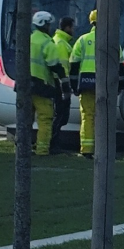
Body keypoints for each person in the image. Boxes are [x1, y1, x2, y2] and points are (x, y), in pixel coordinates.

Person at [70, 10, 124, 159]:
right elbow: (120, 66)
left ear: (91, 22)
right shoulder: (112, 40)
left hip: (86, 83)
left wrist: (74, 85)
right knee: (105, 116)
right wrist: (120, 86)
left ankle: (87, 149)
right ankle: (105, 148)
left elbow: (74, 65)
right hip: (106, 83)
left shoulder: (82, 39)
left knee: (88, 116)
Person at [30, 11, 67, 156]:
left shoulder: (28, 39)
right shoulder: (47, 42)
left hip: (24, 85)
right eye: (48, 24)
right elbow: (54, 65)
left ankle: (22, 147)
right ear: (44, 24)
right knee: (45, 119)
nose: (50, 27)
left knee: (25, 119)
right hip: (42, 86)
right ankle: (42, 149)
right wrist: (64, 80)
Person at [50, 16, 76, 153]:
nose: (73, 30)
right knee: (60, 115)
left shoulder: (61, 41)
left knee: (60, 115)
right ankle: (53, 144)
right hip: (59, 84)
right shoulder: (61, 43)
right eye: (72, 27)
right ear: (67, 27)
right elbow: (62, 67)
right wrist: (65, 86)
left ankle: (53, 143)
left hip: (58, 83)